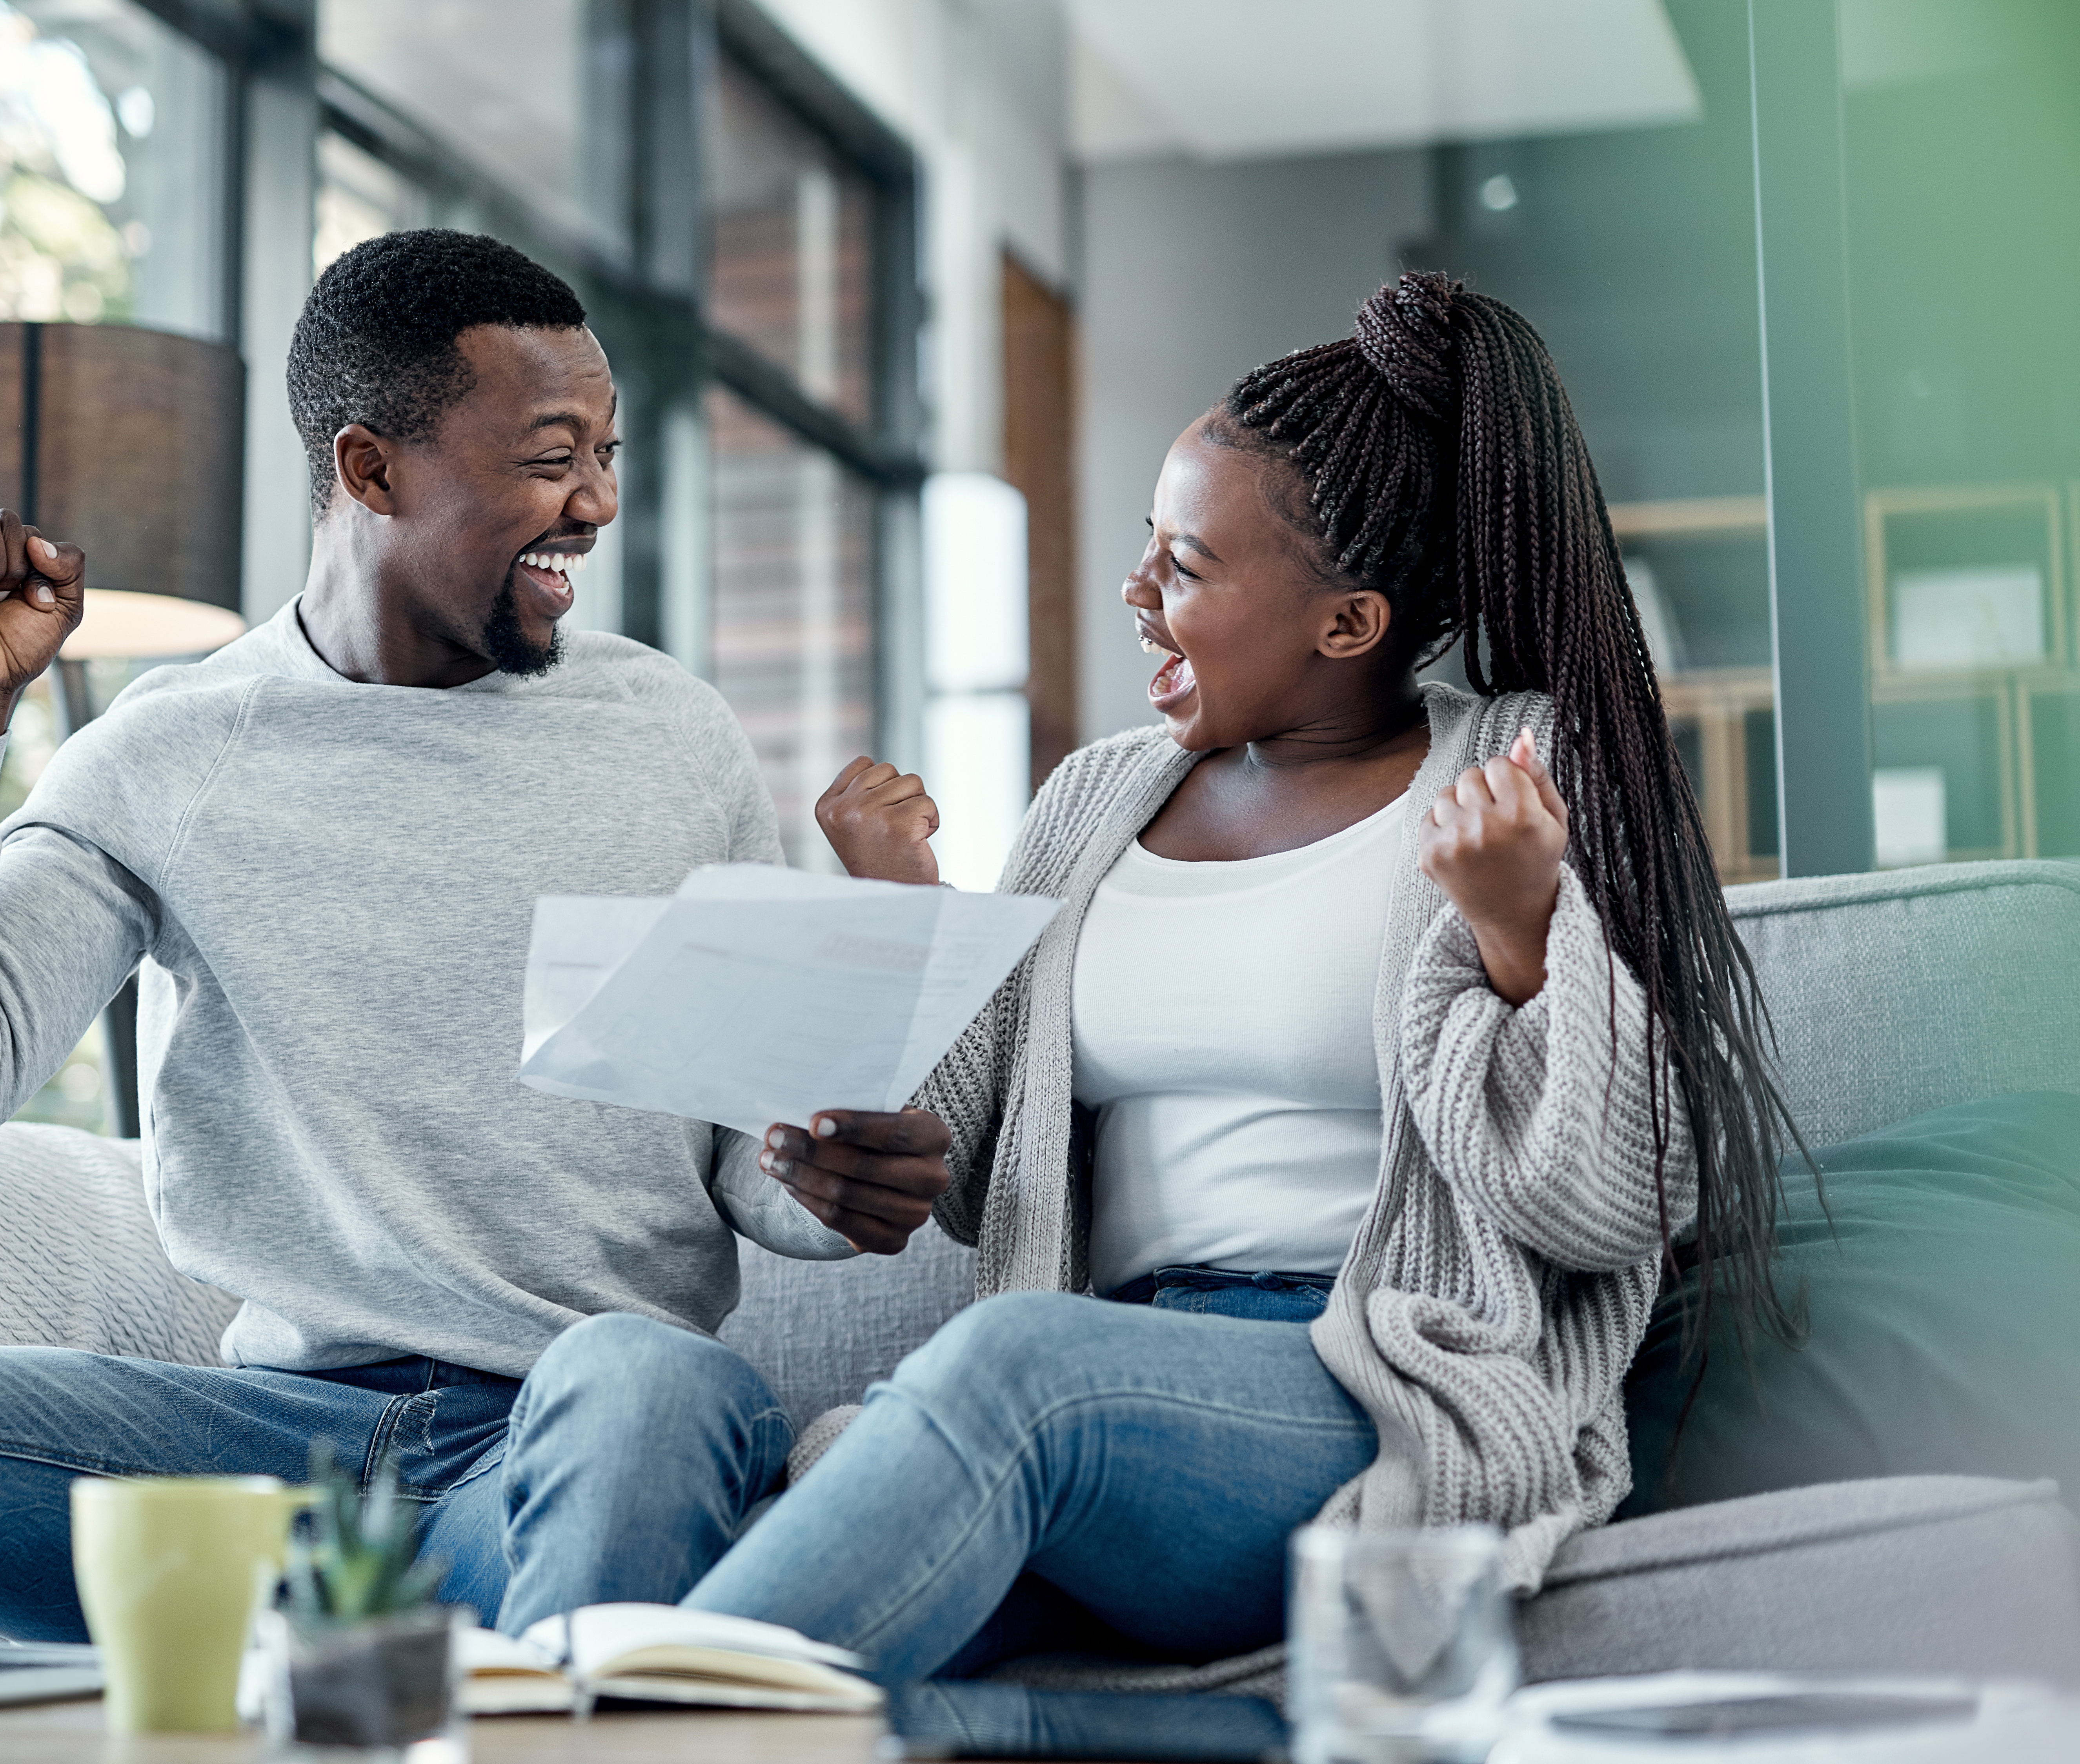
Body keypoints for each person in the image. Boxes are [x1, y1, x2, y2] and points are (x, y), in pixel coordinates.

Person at [622, 270, 1794, 1687]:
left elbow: (1609, 1203)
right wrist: (906, 911)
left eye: (1183, 567)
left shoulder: (1516, 775)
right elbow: (964, 1169)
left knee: (1003, 1375)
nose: (1132, 594)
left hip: (1363, 1381)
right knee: (868, 1620)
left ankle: (590, 1735)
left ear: (1346, 623)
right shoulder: (1096, 797)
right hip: (1114, 1377)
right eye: (1145, 548)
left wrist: (1519, 934)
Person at [0, 227, 952, 1640]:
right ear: (369, 468)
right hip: (269, 1457)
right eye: (552, 456)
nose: (596, 504)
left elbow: (751, 1166)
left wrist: (835, 1188)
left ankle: (550, 1714)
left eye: (608, 452)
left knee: (652, 1378)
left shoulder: (671, 735)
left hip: (576, 1429)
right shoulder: (167, 751)